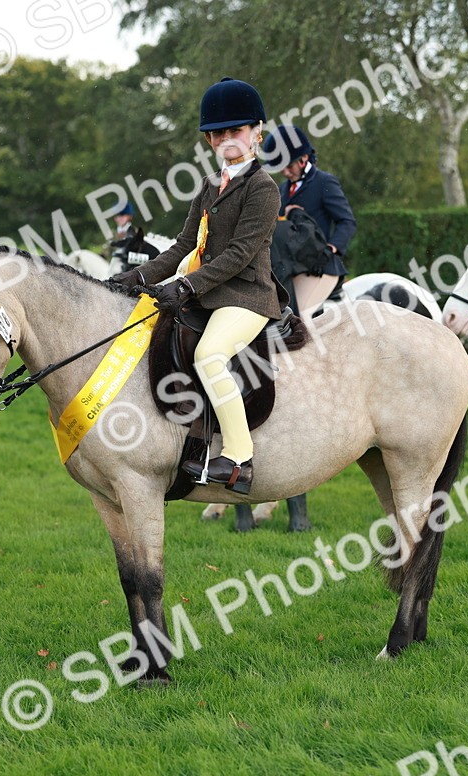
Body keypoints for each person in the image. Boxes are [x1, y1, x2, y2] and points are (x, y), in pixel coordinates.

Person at [109, 77, 286, 493]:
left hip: (247, 295)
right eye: (217, 134)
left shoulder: (263, 188)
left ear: (257, 131)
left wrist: (186, 287)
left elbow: (238, 254)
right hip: (208, 294)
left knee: (209, 356)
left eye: (235, 130)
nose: (226, 140)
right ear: (209, 140)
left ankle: (239, 458)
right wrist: (136, 277)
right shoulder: (209, 186)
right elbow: (183, 245)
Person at [262, 124, 357, 317]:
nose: (285, 173)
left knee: (299, 318)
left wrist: (331, 249)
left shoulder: (324, 182)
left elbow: (346, 221)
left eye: (289, 166)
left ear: (304, 158)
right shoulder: (281, 190)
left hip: (320, 266)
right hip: (291, 266)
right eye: (281, 168)